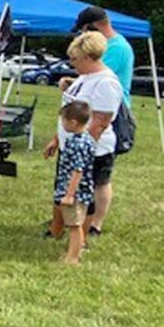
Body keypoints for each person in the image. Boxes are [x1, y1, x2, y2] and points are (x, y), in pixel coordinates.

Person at [44, 31, 121, 240]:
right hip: (70, 147)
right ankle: (56, 228)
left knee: (84, 196)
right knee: (61, 189)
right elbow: (70, 115)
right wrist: (57, 139)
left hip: (91, 152)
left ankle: (81, 238)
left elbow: (100, 122)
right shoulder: (84, 77)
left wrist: (81, 152)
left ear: (88, 58)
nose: (72, 63)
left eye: (75, 59)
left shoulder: (106, 83)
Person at [49, 101, 96, 265]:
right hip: (79, 190)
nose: (62, 124)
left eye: (63, 121)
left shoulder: (78, 143)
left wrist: (69, 194)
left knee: (74, 225)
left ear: (73, 122)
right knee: (76, 223)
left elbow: (78, 170)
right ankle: (78, 250)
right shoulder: (87, 139)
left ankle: (73, 258)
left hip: (75, 192)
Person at [73, 6, 134, 106]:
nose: (84, 34)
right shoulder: (104, 45)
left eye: (85, 30)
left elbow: (94, 77)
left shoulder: (116, 48)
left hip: (113, 109)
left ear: (93, 26)